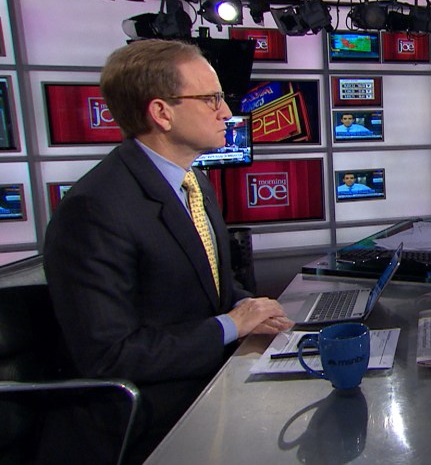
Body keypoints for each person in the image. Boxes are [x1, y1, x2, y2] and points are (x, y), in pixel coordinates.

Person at [42, 39, 293, 464]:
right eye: (212, 99)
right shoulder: (95, 208)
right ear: (162, 113)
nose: (227, 113)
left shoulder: (192, 182)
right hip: (153, 422)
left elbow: (206, 285)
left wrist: (249, 307)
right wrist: (231, 325)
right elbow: (110, 356)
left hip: (210, 387)